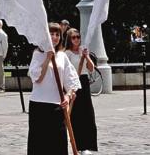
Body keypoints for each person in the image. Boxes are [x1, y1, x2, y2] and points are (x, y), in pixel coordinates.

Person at [28, 23, 80, 155]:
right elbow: (37, 77)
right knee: (39, 145)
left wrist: (68, 96)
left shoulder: (62, 56)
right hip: (39, 105)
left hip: (57, 106)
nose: (55, 37)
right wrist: (47, 58)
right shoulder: (37, 54)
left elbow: (72, 81)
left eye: (57, 34)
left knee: (58, 144)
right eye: (51, 34)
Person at [64, 28, 98, 154]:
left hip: (83, 81)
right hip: (73, 83)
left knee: (87, 114)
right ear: (69, 39)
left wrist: (86, 56)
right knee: (76, 115)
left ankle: (87, 146)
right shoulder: (67, 53)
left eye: (78, 37)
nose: (76, 39)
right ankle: (77, 145)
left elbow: (91, 69)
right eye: (73, 37)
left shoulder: (82, 51)